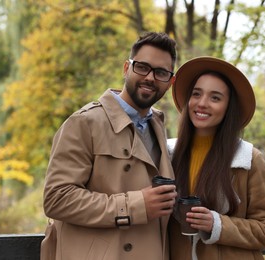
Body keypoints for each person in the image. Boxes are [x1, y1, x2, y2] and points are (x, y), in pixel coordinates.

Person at [41, 32, 178, 260]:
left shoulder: (158, 125)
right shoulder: (84, 122)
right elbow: (57, 198)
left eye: (161, 72)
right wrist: (136, 205)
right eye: (142, 67)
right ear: (127, 68)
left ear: (170, 82)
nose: (150, 78)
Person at [167, 56, 265, 259]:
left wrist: (217, 225)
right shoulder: (168, 154)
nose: (202, 103)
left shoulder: (249, 160)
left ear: (229, 107)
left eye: (215, 98)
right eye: (196, 94)